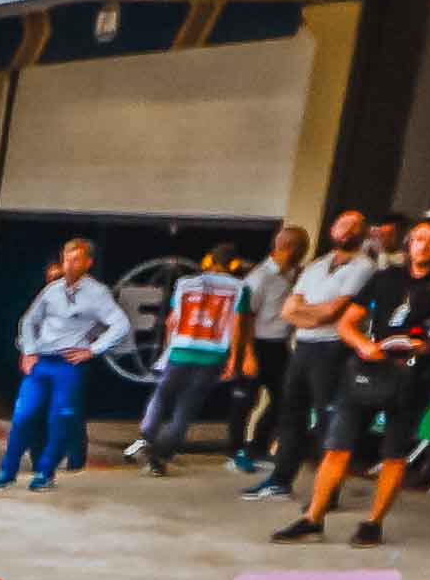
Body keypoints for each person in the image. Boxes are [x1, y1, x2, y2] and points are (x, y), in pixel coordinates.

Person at [275, 217, 430, 546]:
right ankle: (313, 517)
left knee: (395, 453)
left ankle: (373, 522)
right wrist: (363, 345)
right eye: (419, 238)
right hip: (369, 368)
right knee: (337, 446)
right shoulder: (386, 278)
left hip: (415, 373)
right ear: (409, 243)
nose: (424, 245)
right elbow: (348, 322)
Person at [252, 211, 379, 501]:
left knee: (328, 419)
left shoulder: (364, 267)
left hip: (334, 348)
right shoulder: (317, 265)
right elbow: (289, 309)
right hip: (305, 346)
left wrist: (307, 313)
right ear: (333, 229)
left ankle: (327, 493)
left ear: (362, 233)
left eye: (354, 226)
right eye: (342, 224)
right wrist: (312, 315)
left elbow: (334, 312)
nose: (346, 230)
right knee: (290, 415)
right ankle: (280, 479)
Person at [0, 240, 129, 491]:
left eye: (76, 259)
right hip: (42, 360)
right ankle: (7, 471)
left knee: (61, 418)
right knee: (23, 415)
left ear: (88, 263)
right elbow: (29, 320)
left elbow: (120, 324)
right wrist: (29, 351)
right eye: (67, 259)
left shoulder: (97, 293)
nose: (70, 264)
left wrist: (93, 350)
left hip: (68, 364)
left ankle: (45, 472)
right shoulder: (52, 290)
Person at [124, 246, 253, 474]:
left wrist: (167, 349)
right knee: (187, 406)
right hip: (213, 354)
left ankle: (146, 436)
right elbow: (238, 326)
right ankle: (161, 457)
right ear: (233, 265)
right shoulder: (240, 288)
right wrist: (235, 358)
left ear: (207, 260)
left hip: (180, 350)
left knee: (162, 396)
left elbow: (172, 321)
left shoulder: (185, 283)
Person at [229, 227, 306, 476]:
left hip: (279, 344)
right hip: (256, 342)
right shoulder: (259, 277)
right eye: (302, 249)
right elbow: (245, 318)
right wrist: (247, 355)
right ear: (289, 248)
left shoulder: (294, 274)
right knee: (245, 401)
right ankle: (236, 450)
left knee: (284, 398)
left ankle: (258, 446)